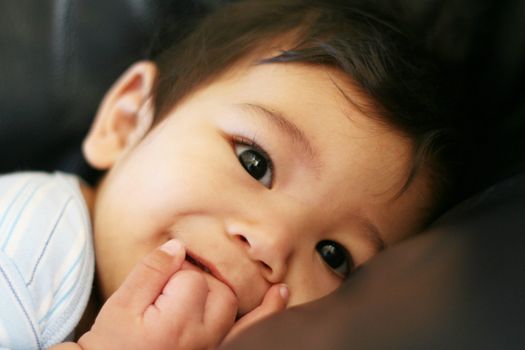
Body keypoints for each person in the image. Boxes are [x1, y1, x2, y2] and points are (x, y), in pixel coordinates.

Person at [0, 0, 455, 348]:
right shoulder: (27, 246)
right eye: (254, 163)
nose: (272, 244)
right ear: (126, 120)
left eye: (333, 255)